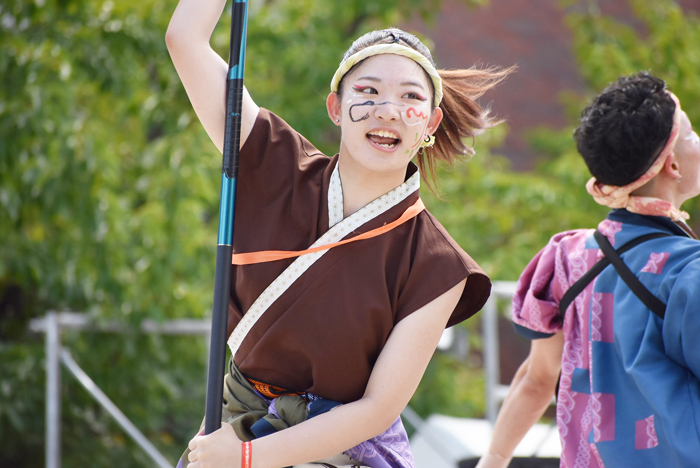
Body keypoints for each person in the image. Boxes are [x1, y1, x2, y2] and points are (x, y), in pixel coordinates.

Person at [166, 1, 512, 467]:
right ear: (336, 106)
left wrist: (248, 457)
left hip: (331, 452)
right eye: (368, 91)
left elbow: (375, 410)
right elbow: (185, 39)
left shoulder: (439, 265)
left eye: (410, 98)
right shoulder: (273, 161)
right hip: (231, 427)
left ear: (430, 123)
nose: (387, 110)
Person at [476, 72, 700, 468]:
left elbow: (537, 379)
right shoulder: (688, 273)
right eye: (693, 136)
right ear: (674, 166)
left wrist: (492, 460)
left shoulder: (567, 257)